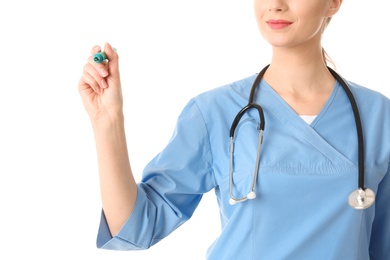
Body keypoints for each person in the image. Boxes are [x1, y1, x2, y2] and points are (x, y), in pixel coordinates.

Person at [78, 0, 390, 259]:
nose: (276, 5)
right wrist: (107, 122)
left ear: (334, 3)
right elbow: (134, 228)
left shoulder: (378, 117)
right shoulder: (215, 112)